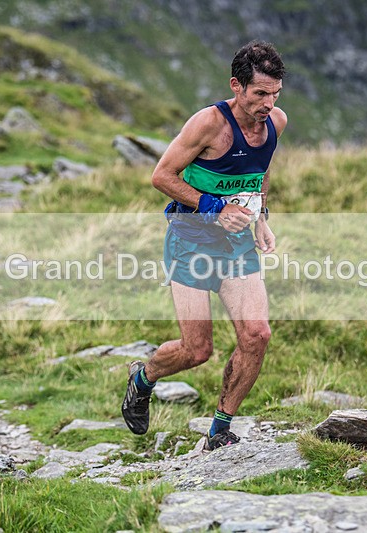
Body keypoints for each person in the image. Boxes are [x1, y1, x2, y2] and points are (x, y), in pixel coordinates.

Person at [121, 40, 287, 451]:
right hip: (191, 240)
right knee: (197, 350)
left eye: (276, 93)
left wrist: (261, 218)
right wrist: (214, 206)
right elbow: (162, 176)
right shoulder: (208, 124)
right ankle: (143, 378)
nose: (269, 103)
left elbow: (260, 172)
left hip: (236, 246)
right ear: (237, 85)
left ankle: (219, 430)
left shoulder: (276, 123)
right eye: (260, 93)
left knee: (257, 334)